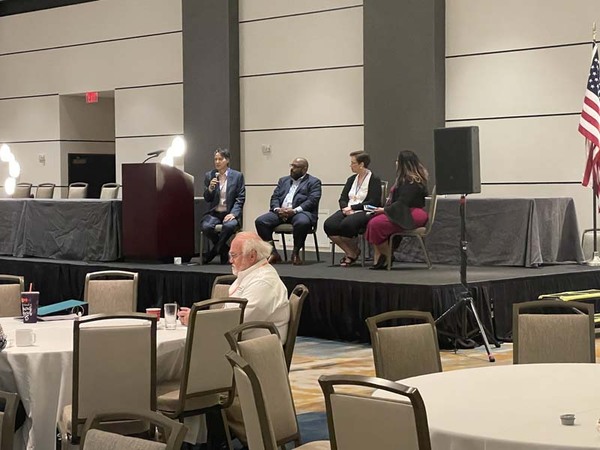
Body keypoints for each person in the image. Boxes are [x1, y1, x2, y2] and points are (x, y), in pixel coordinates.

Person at [178, 232, 290, 342]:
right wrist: (198, 315)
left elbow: (237, 322)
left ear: (252, 256)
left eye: (234, 255)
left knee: (182, 349)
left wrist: (196, 320)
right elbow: (230, 316)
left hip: (251, 350)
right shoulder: (252, 274)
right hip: (238, 342)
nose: (230, 260)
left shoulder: (263, 282)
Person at [365, 150, 429, 270]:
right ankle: (381, 258)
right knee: (373, 220)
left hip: (413, 213)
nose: (395, 163)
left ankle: (388, 256)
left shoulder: (412, 182)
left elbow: (403, 202)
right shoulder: (405, 180)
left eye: (397, 161)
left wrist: (384, 210)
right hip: (403, 210)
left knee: (376, 224)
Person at [254, 157, 322, 266]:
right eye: (292, 166)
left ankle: (295, 253)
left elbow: (312, 201)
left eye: (296, 167)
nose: (292, 169)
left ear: (304, 169)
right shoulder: (283, 180)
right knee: (261, 221)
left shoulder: (314, 182)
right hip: (280, 213)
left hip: (300, 213)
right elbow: (275, 197)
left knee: (302, 222)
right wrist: (277, 209)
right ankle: (272, 252)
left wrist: (294, 210)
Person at [324, 151, 382, 267]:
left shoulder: (374, 179)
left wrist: (353, 207)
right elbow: (343, 198)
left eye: (353, 163)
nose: (350, 166)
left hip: (364, 210)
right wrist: (345, 208)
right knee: (329, 224)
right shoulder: (351, 179)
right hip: (348, 209)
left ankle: (353, 252)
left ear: (361, 164)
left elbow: (373, 202)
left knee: (347, 224)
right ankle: (351, 252)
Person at [200, 148, 246, 264]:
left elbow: (240, 198)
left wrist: (233, 214)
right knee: (206, 227)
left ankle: (213, 252)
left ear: (227, 160)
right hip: (215, 213)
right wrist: (210, 189)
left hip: (230, 212)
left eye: (220, 159)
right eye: (215, 159)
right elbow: (207, 198)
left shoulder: (237, 176)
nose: (217, 162)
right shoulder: (209, 175)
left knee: (230, 226)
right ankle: (224, 249)